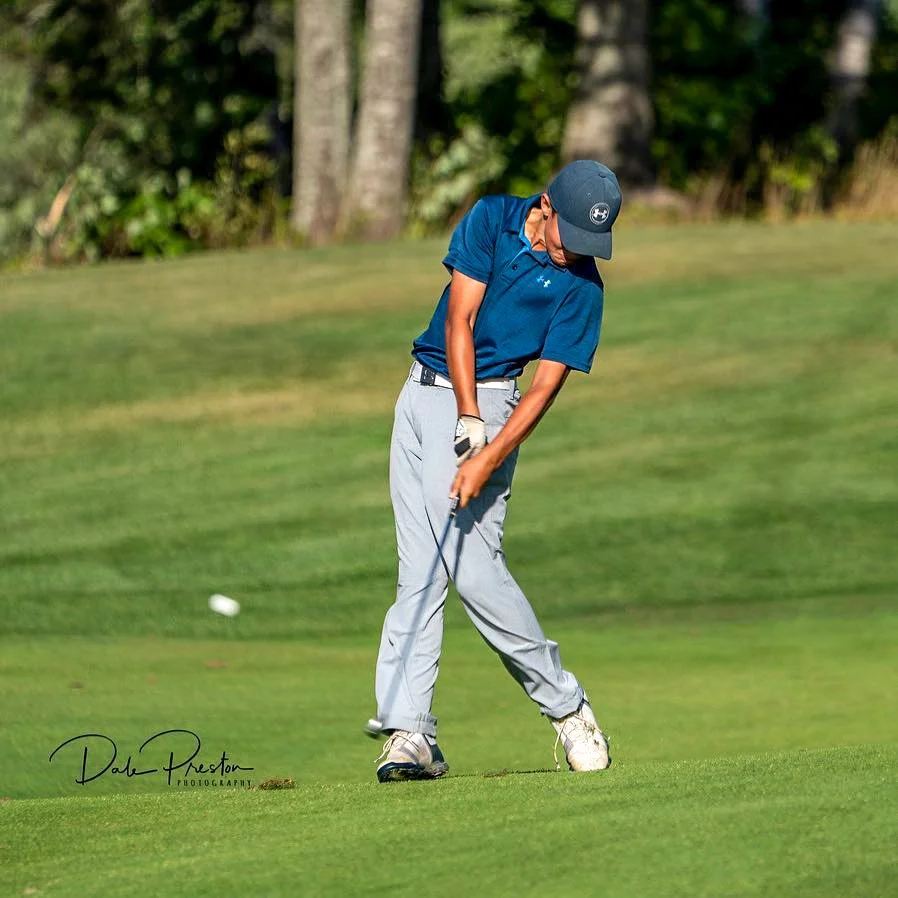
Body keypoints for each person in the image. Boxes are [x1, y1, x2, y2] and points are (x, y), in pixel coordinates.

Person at [373, 159, 622, 782]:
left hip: (494, 400)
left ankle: (568, 708)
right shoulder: (491, 218)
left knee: (475, 573)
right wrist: (463, 418)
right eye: (574, 238)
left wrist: (486, 449)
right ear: (545, 208)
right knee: (419, 577)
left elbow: (542, 390)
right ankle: (409, 735)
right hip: (426, 394)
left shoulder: (582, 289)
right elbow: (459, 319)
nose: (580, 254)